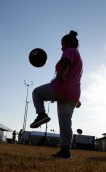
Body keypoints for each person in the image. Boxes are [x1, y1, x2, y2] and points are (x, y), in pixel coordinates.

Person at [30, 30, 83, 158]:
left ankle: (41, 114)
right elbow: (75, 78)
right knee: (65, 123)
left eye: (62, 44)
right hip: (73, 94)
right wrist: (77, 99)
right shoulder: (79, 57)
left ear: (68, 42)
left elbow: (66, 63)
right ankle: (65, 151)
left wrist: (61, 73)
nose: (61, 47)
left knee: (36, 92)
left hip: (62, 88)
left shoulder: (70, 51)